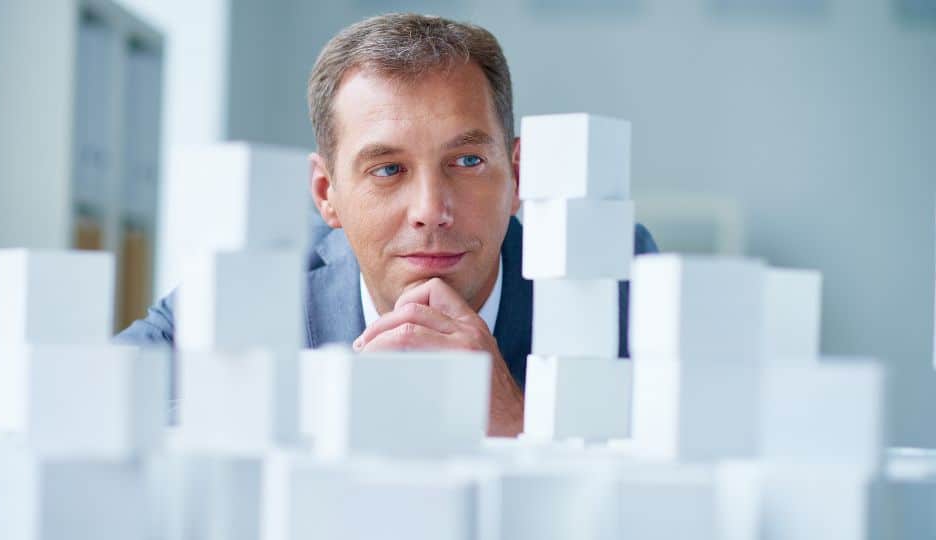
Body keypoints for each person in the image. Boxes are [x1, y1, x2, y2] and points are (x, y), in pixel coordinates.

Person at [116, 13, 659, 437]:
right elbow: (96, 393)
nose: (430, 209)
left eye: (467, 161)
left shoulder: (607, 271)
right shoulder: (261, 275)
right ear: (327, 194)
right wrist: (316, 405)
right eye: (388, 170)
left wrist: (520, 424)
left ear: (517, 175)